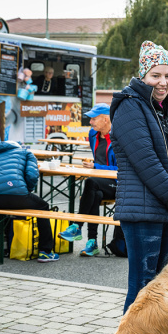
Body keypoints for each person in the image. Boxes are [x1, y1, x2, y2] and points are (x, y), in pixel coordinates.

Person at [109, 41, 168, 315]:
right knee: (142, 288)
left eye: (167, 75)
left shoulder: (167, 107)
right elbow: (147, 164)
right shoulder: (130, 106)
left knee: (161, 287)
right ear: (143, 75)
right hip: (143, 212)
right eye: (155, 75)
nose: (163, 82)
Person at [0, 140, 59, 263]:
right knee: (43, 207)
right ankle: (46, 251)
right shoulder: (25, 152)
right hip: (14, 193)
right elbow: (31, 175)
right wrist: (26, 191)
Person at [57, 103, 117, 256]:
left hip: (117, 184)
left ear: (106, 120)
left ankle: (76, 226)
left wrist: (96, 166)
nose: (90, 122)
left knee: (90, 182)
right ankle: (92, 243)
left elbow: (123, 169)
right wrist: (94, 167)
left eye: (94, 119)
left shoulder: (119, 138)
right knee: (93, 194)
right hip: (98, 184)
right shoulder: (92, 134)